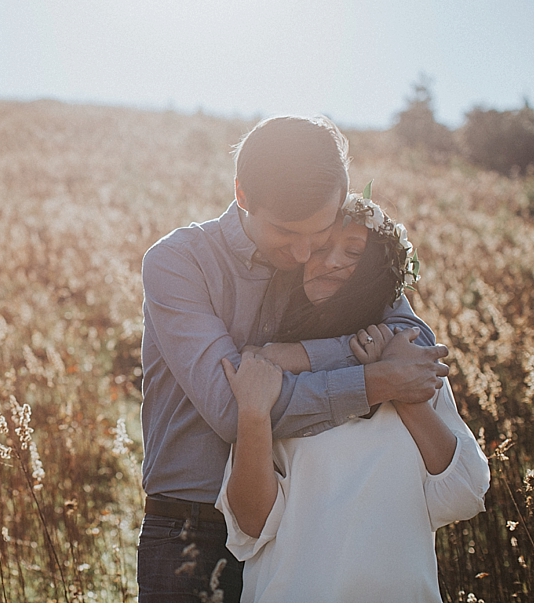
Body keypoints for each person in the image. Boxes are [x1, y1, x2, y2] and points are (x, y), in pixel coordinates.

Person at [138, 116, 450, 602]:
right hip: (192, 530)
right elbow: (231, 409)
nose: (306, 252)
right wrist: (376, 382)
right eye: (286, 232)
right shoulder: (179, 262)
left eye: (320, 230)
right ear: (242, 195)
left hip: (305, 534)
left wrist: (300, 355)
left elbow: (410, 338)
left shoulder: (325, 253)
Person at [216, 191, 490, 601]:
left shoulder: (409, 361)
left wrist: (397, 386)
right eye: (322, 247)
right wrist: (253, 414)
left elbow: (464, 493)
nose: (330, 261)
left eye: (354, 250)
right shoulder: (272, 370)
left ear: (377, 267)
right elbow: (251, 526)